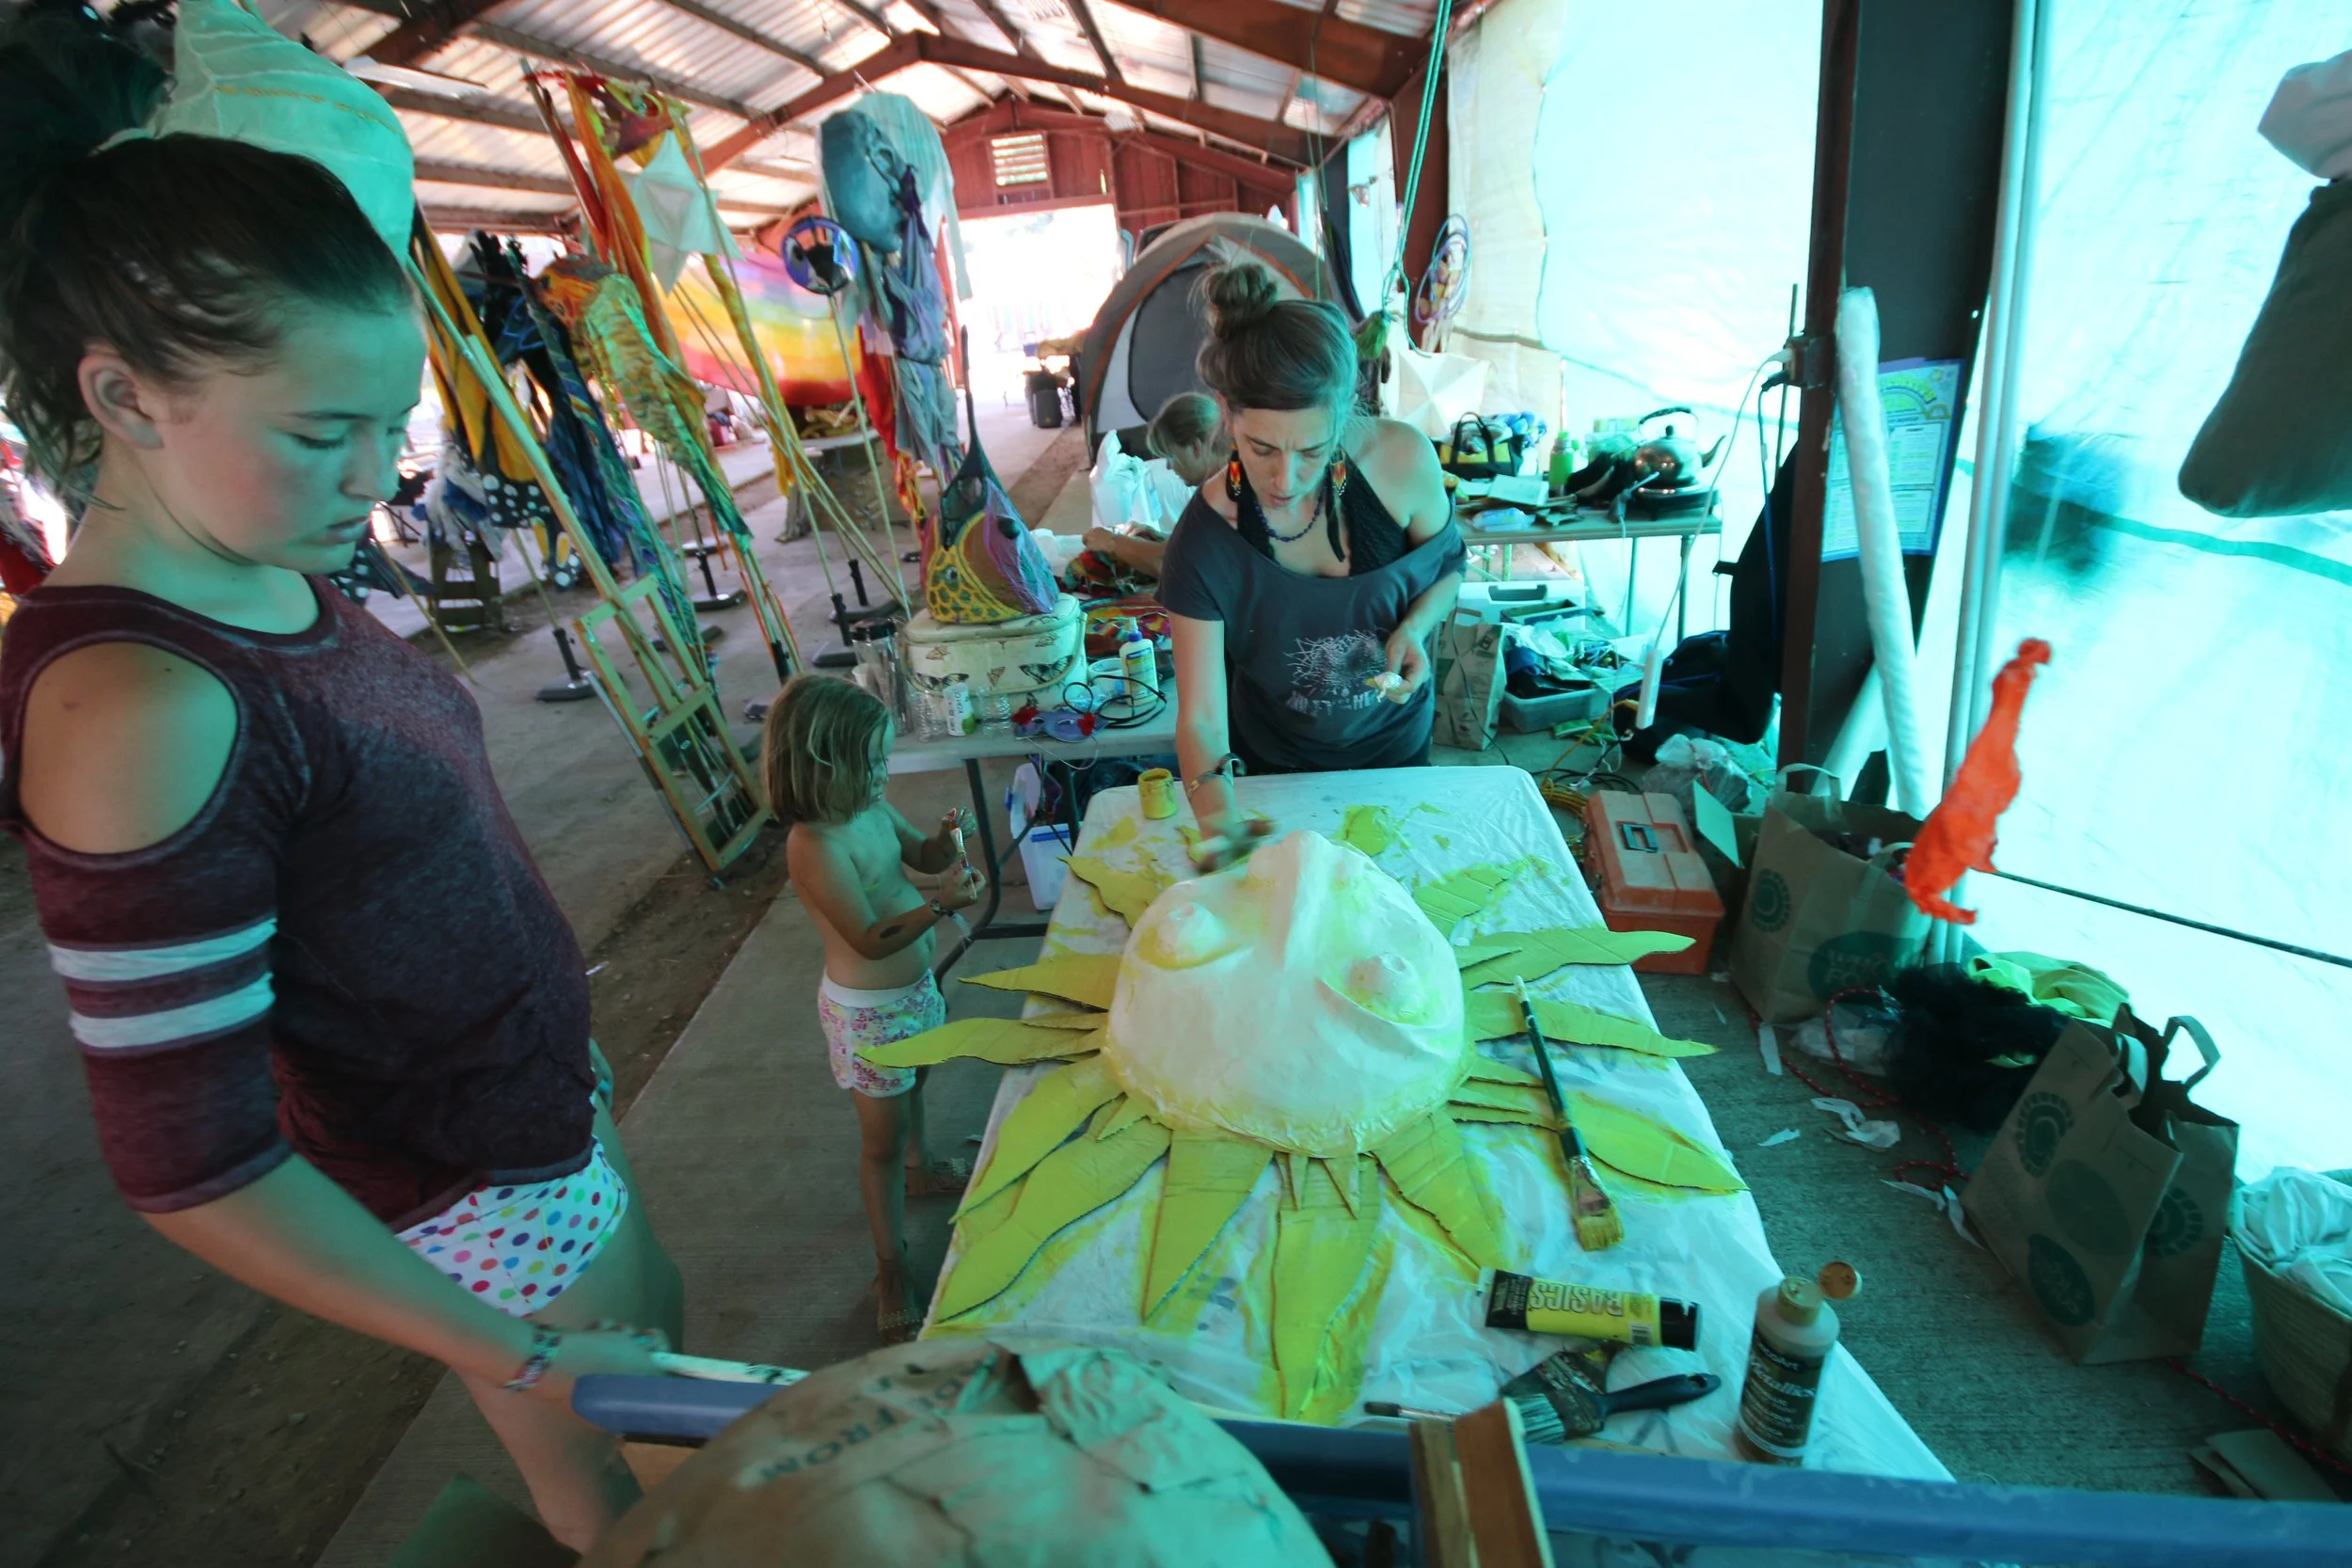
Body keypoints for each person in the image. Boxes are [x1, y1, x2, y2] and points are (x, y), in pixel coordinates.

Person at [0, 17, 678, 1553]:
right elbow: (194, 1163)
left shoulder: (268, 565)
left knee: (669, 1363)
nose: (378, 480)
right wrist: (495, 1338)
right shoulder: (137, 707)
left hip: (526, 1102)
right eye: (325, 433)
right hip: (460, 1169)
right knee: (639, 1487)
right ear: (121, 399)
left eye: (394, 426)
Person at [1156, 261, 1466, 858]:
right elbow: (1199, 720)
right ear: (1226, 414)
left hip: (1396, 749)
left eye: (1313, 451)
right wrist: (1220, 822)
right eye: (1261, 448)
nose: (1285, 479)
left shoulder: (1401, 461)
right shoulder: (1206, 541)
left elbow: (1448, 570)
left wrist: (1414, 628)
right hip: (1275, 769)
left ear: (1344, 411)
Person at [764, 673, 985, 1343]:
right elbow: (865, 933)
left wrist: (947, 842)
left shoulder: (869, 807)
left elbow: (917, 855)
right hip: (868, 1012)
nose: (883, 773)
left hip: (912, 991)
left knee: (918, 1080)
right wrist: (942, 903)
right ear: (821, 766)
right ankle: (891, 1263)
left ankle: (921, 1170)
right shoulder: (814, 846)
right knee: (878, 1142)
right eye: (873, 761)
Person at [1084, 392, 1223, 580]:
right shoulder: (1230, 476)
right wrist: (1164, 538)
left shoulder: (1224, 493)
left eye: (1171, 457)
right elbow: (1201, 547)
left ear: (1195, 448)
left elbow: (1173, 563)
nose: (1168, 466)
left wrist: (1111, 542)